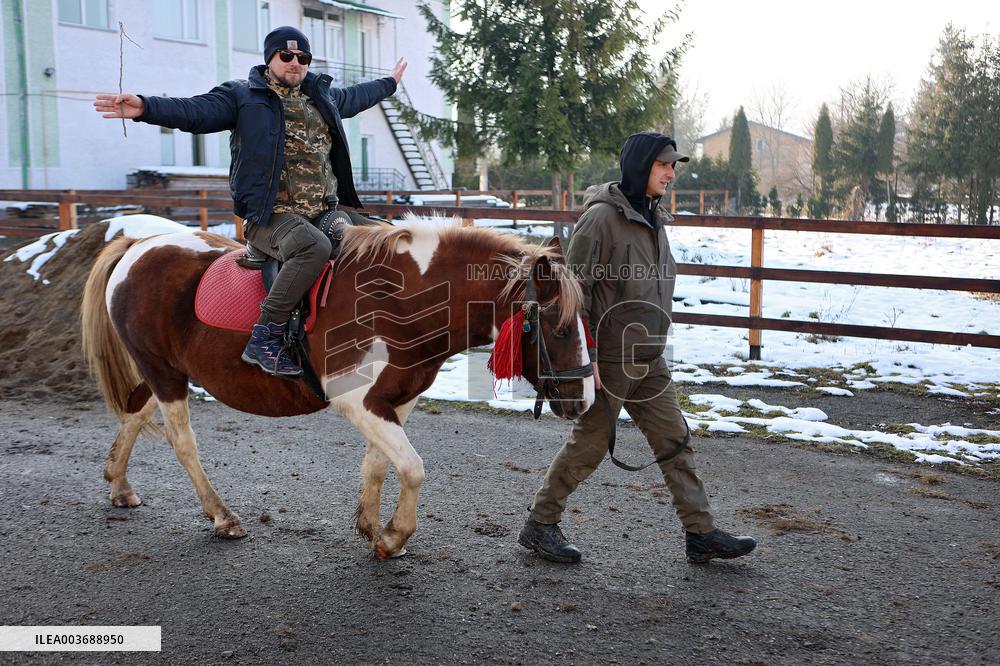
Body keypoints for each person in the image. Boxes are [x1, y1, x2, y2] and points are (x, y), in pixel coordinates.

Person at [94, 26, 406, 378]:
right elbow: (196, 111)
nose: (295, 63)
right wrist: (146, 107)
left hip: (326, 210)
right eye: (286, 56)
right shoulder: (243, 97)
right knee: (312, 248)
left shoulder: (321, 96)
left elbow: (357, 96)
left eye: (303, 58)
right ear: (269, 58)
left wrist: (389, 84)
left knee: (393, 238)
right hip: (271, 215)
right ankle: (266, 335)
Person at [518, 131, 757, 564]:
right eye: (664, 165)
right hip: (611, 359)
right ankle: (540, 523)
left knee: (675, 442)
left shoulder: (653, 217)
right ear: (640, 167)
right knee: (588, 446)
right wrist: (584, 362)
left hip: (650, 355)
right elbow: (576, 295)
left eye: (673, 166)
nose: (671, 173)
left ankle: (700, 532)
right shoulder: (601, 221)